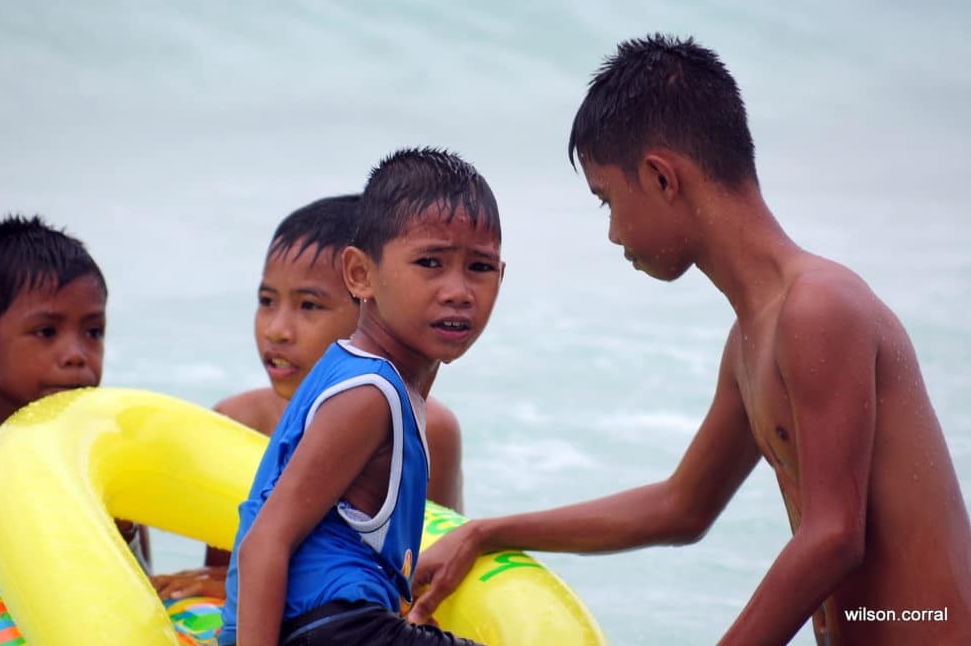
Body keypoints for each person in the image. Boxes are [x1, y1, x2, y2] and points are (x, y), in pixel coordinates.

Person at [408, 34, 971, 645]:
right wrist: (487, 531)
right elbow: (682, 506)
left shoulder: (820, 307)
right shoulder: (752, 339)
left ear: (660, 177)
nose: (614, 233)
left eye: (607, 200)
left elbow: (835, 536)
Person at [151, 194, 466, 600]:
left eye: (309, 305)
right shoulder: (237, 420)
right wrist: (216, 583)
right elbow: (223, 570)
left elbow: (431, 575)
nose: (277, 330)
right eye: (267, 301)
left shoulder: (430, 429)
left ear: (374, 307)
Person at [0, 215, 150, 580]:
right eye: (46, 332)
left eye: (93, 331)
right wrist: (38, 528)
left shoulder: (105, 452)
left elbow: (142, 586)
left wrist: (123, 530)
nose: (77, 354)